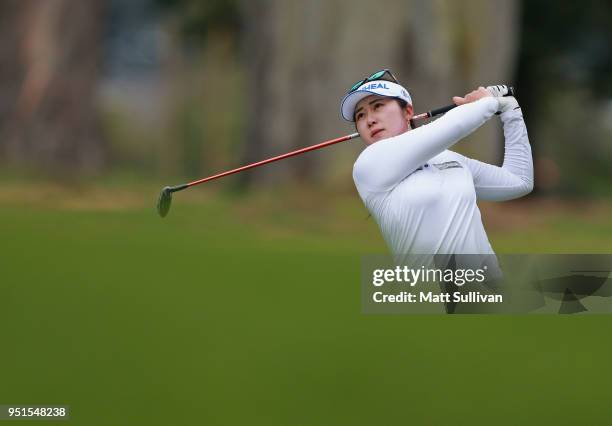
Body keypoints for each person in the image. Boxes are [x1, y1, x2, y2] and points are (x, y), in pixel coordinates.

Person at [340, 69, 533, 275]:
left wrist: (511, 111)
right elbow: (455, 124)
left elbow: (519, 181)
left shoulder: (449, 159)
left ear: (407, 112)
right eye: (360, 115)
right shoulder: (368, 165)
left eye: (377, 106)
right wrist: (490, 101)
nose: (369, 119)